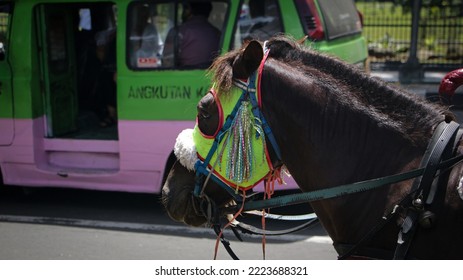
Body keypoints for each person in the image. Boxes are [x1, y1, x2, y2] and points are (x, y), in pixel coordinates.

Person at [163, 1, 221, 68]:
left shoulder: (179, 31)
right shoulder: (217, 32)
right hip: (210, 76)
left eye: (184, 9)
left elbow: (167, 62)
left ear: (188, 10)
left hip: (181, 76)